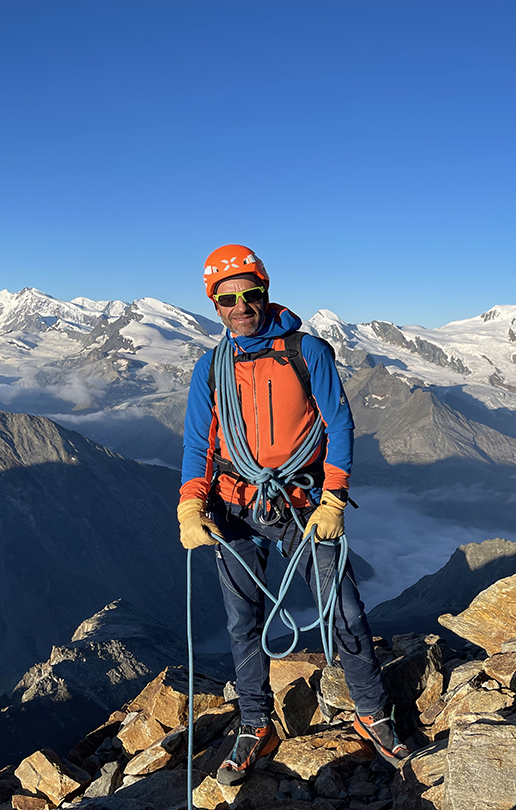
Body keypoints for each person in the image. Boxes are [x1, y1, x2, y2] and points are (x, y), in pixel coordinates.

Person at [177, 244, 409, 785]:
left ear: (265, 292)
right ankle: (255, 722)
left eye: (250, 293)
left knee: (343, 609)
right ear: (214, 304)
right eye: (227, 298)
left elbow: (340, 425)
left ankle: (374, 712)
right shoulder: (211, 368)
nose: (241, 306)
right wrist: (191, 504)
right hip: (233, 506)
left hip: (304, 503)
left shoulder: (308, 351)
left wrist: (333, 498)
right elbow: (199, 445)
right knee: (243, 622)